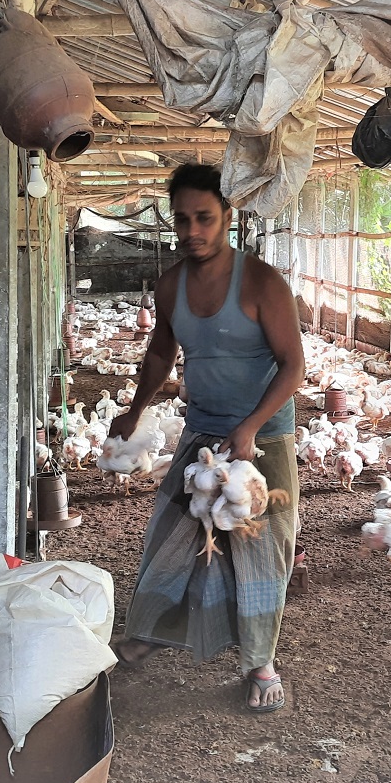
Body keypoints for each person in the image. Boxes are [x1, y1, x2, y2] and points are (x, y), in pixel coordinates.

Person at [108, 163, 305, 713]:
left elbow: (293, 367)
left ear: (228, 217)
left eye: (205, 218)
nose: (193, 230)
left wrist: (250, 427)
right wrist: (134, 409)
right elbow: (160, 351)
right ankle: (151, 632)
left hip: (263, 436)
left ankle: (261, 662)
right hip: (203, 430)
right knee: (173, 530)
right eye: (183, 219)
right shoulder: (171, 284)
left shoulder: (263, 283)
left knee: (261, 545)